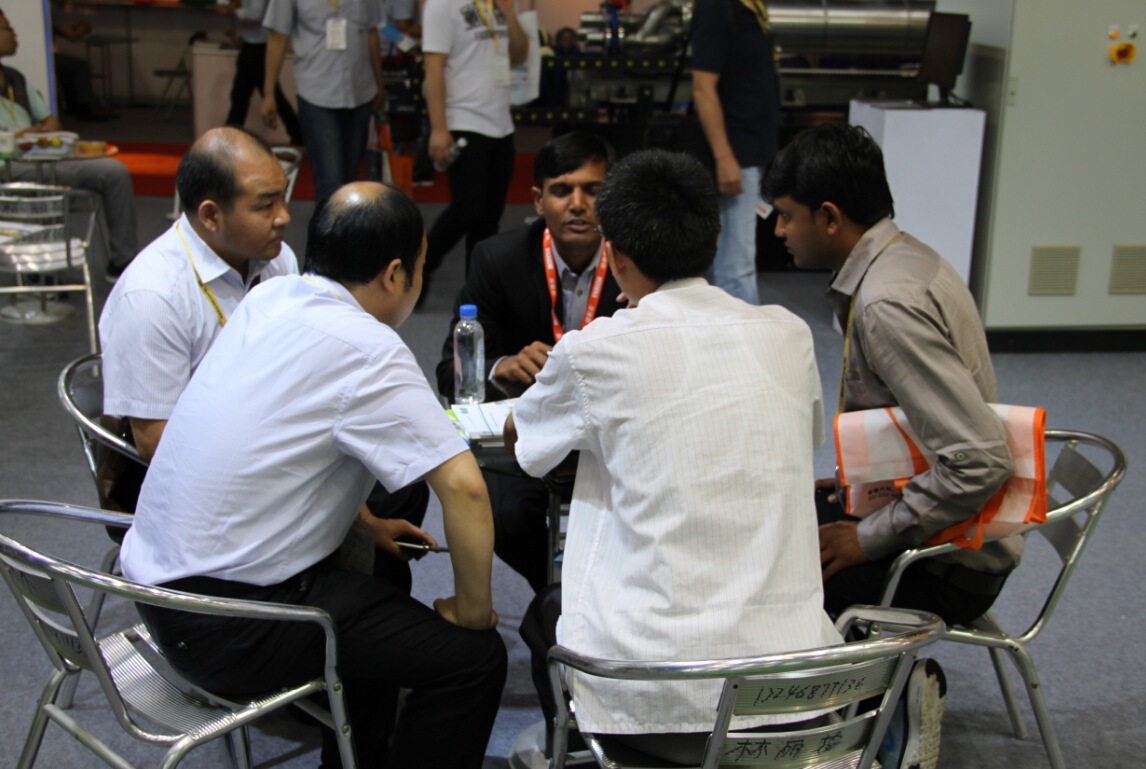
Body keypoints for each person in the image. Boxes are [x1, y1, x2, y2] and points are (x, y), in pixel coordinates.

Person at [119, 181, 506, 769]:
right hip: (231, 629)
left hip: (152, 593)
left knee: (379, 571)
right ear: (395, 274)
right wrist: (474, 612)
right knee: (474, 660)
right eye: (422, 268)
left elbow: (275, 448)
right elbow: (465, 488)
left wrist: (365, 522)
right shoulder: (370, 347)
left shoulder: (268, 299)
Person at [507, 149, 842, 764]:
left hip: (655, 699)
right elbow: (807, 434)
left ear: (614, 255)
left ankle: (577, 751)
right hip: (793, 692)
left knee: (546, 614)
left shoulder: (596, 349)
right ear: (712, 239)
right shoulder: (790, 334)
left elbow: (523, 441)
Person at [762, 123, 1018, 629]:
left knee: (765, 569)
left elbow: (981, 461)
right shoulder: (903, 257)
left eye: (787, 216)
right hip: (933, 517)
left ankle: (863, 675)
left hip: (948, 564)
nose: (779, 231)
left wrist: (865, 538)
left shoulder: (886, 304)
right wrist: (859, 484)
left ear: (829, 217)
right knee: (778, 510)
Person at [435, 131, 623, 592]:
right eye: (561, 190)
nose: (577, 204)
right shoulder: (497, 259)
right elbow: (448, 372)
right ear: (539, 200)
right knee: (507, 515)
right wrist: (499, 366)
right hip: (526, 432)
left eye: (593, 190)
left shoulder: (633, 262)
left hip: (613, 432)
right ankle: (558, 597)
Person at [0, 9, 137, 280]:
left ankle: (123, 263)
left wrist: (42, 131)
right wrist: (18, 136)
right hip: (7, 164)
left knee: (114, 171)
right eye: (7, 28)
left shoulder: (15, 78)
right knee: (59, 177)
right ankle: (42, 269)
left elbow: (50, 121)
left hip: (42, 157)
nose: (14, 34)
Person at [419, 0, 529, 299]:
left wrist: (509, 13)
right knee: (468, 209)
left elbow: (520, 54)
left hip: (501, 123)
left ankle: (477, 290)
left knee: (489, 217)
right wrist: (439, 127)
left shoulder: (497, 4)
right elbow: (433, 66)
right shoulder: (442, 5)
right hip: (463, 120)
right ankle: (421, 266)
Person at [691, 0, 781, 305]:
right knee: (735, 267)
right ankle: (745, 333)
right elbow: (703, 88)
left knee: (737, 261)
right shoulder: (717, 7)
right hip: (736, 153)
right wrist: (724, 157)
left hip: (751, 151)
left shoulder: (748, 7)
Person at [262, 0, 386, 203]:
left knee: (351, 181)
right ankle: (329, 224)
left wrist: (379, 84)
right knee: (330, 181)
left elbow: (371, 32)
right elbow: (278, 37)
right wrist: (269, 93)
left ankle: (345, 223)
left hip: (360, 92)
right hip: (316, 94)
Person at [222, 0, 304, 145]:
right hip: (251, 45)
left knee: (244, 96)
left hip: (258, 47)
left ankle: (228, 138)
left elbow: (256, 14)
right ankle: (297, 134)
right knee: (241, 96)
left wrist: (231, 12)